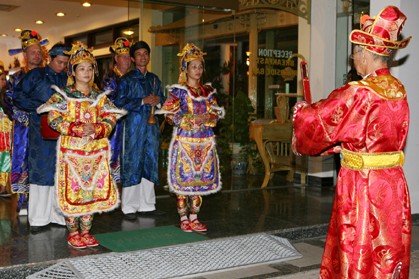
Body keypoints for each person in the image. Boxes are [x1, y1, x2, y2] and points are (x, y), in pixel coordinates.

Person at [292, 6, 412, 278]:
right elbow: (369, 135)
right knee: (387, 244)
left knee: (359, 241)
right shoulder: (399, 90)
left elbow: (322, 120)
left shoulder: (360, 92)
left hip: (363, 184)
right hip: (393, 182)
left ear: (366, 55)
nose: (353, 58)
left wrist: (301, 112)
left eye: (355, 52)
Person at [36, 42, 126, 249]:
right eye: (81, 68)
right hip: (72, 153)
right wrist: (76, 128)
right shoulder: (63, 95)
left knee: (91, 191)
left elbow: (111, 119)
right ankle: (73, 232)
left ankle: (86, 231)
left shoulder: (100, 96)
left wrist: (97, 128)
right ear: (73, 72)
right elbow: (53, 118)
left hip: (95, 152)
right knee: (73, 191)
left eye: (90, 68)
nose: (86, 72)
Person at [156, 43, 224, 232]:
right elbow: (168, 115)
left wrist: (208, 118)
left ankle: (194, 216)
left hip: (204, 143)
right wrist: (191, 119)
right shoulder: (178, 91)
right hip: (185, 142)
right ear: (185, 69)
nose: (198, 70)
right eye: (193, 66)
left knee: (199, 182)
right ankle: (183, 218)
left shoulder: (208, 92)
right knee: (184, 181)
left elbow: (216, 113)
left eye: (200, 66)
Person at [12, 43, 71, 233]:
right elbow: (17, 96)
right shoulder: (35, 76)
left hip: (62, 133)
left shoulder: (67, 79)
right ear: (50, 59)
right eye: (60, 62)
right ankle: (38, 219)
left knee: (59, 172)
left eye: (65, 63)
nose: (62, 66)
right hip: (40, 131)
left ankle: (57, 216)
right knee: (40, 172)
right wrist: (41, 106)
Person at [114, 41, 165, 220]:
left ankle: (147, 204)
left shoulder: (154, 79)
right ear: (133, 58)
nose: (143, 57)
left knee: (149, 161)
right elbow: (118, 103)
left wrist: (157, 101)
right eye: (139, 54)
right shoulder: (126, 80)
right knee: (133, 162)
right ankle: (129, 206)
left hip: (151, 128)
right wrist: (142, 101)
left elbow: (164, 102)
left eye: (146, 53)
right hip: (133, 127)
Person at [4, 30, 49, 215]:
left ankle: (44, 203)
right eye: (33, 52)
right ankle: (23, 200)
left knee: (44, 161)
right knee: (23, 160)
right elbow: (8, 99)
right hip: (24, 126)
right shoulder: (16, 77)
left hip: (45, 125)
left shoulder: (48, 75)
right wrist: (21, 115)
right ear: (25, 54)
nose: (36, 55)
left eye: (39, 52)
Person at [102, 37, 132, 183]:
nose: (127, 60)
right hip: (116, 125)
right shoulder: (110, 78)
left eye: (128, 57)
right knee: (113, 158)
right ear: (116, 58)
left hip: (131, 124)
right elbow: (111, 102)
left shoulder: (133, 77)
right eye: (123, 57)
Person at [0, 62, 12, 197]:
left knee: (4, 158)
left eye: (4, 79)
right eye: (1, 79)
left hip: (4, 133)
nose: (4, 82)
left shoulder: (7, 95)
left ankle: (3, 186)